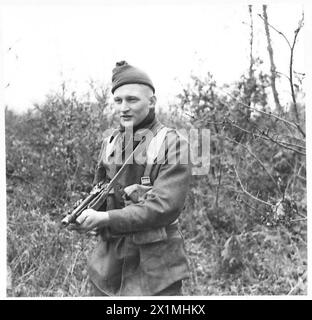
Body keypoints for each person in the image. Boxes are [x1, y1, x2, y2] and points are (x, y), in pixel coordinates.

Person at [72, 61, 191, 296]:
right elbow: (101, 190)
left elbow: (165, 206)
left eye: (132, 100)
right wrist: (85, 216)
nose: (123, 108)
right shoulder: (111, 142)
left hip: (156, 271)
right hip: (107, 269)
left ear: (152, 102)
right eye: (118, 100)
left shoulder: (173, 143)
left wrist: (105, 217)